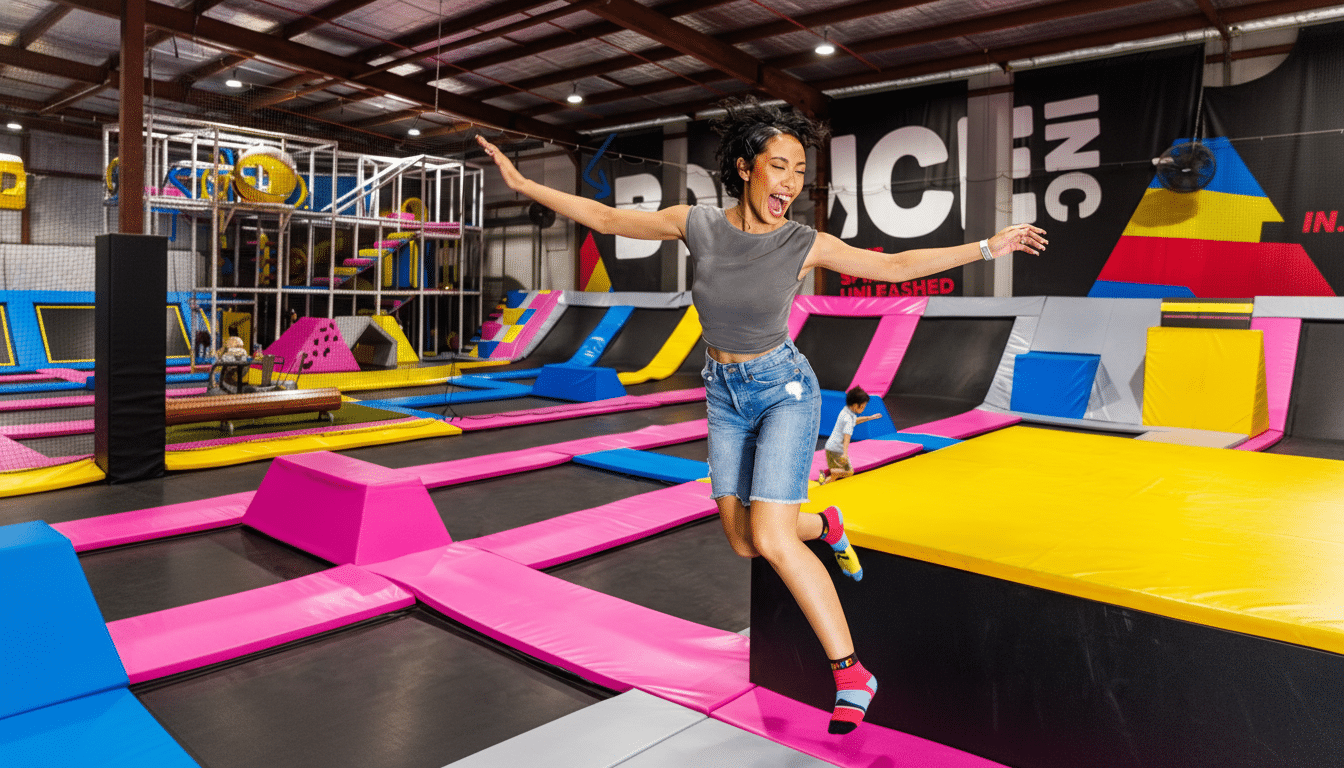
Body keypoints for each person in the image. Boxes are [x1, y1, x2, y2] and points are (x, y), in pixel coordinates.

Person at [476, 99, 1046, 735]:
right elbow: (608, 217)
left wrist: (987, 246)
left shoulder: (803, 242)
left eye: (801, 171)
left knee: (772, 539)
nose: (792, 183)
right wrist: (524, 184)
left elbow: (893, 267)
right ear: (746, 168)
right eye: (780, 167)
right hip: (722, 394)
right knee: (745, 539)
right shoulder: (696, 224)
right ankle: (824, 524)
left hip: (784, 391)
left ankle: (852, 672)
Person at [818, 387, 882, 486]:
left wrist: (870, 417)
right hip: (836, 449)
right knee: (846, 473)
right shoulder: (848, 418)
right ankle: (830, 473)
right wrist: (844, 453)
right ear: (856, 405)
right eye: (863, 407)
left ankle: (827, 475)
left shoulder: (847, 411)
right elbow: (847, 437)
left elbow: (855, 421)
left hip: (832, 447)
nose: (864, 409)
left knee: (845, 473)